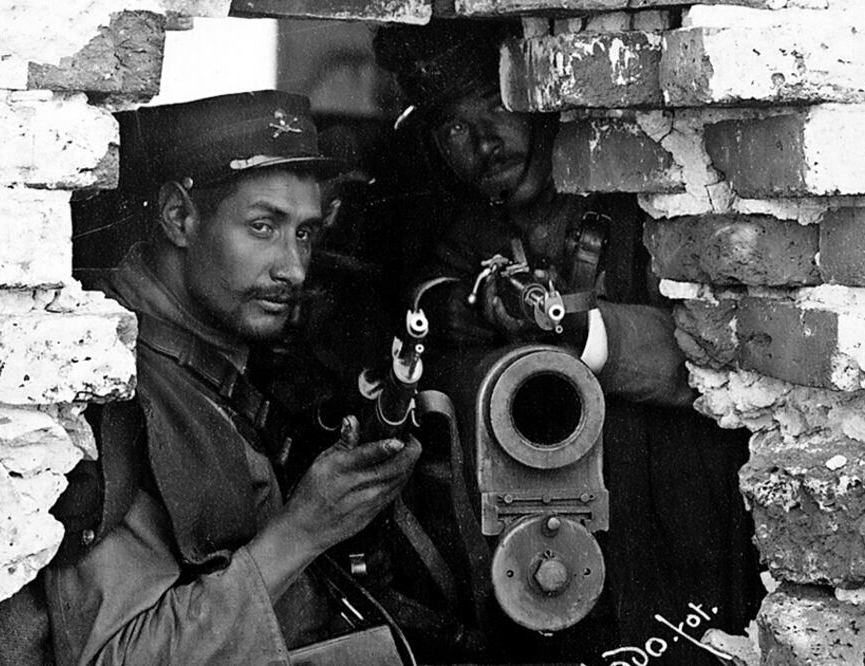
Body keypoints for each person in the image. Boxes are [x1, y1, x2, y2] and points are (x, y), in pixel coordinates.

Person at [365, 21, 764, 665]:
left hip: (675, 530)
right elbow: (423, 289)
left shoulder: (650, 211)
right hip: (549, 558)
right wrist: (455, 303)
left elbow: (709, 364)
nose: (484, 143)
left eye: (495, 107)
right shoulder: (472, 232)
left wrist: (577, 330)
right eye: (455, 129)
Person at [42, 90, 421, 665]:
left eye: (305, 233)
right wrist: (304, 529)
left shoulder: (217, 355)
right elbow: (115, 659)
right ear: (179, 216)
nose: (294, 269)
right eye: (263, 227)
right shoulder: (112, 394)